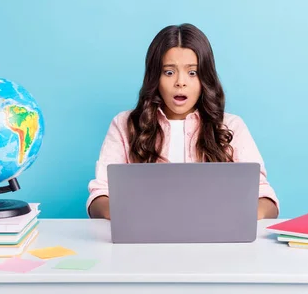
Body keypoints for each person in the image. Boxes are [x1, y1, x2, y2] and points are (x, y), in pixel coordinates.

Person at [87, 23, 279, 220]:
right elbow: (99, 195)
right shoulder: (124, 125)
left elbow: (265, 197)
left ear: (205, 78)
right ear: (155, 77)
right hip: (144, 240)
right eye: (169, 72)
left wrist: (241, 215)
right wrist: (128, 213)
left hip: (215, 241)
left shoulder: (231, 127)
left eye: (192, 72)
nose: (180, 82)